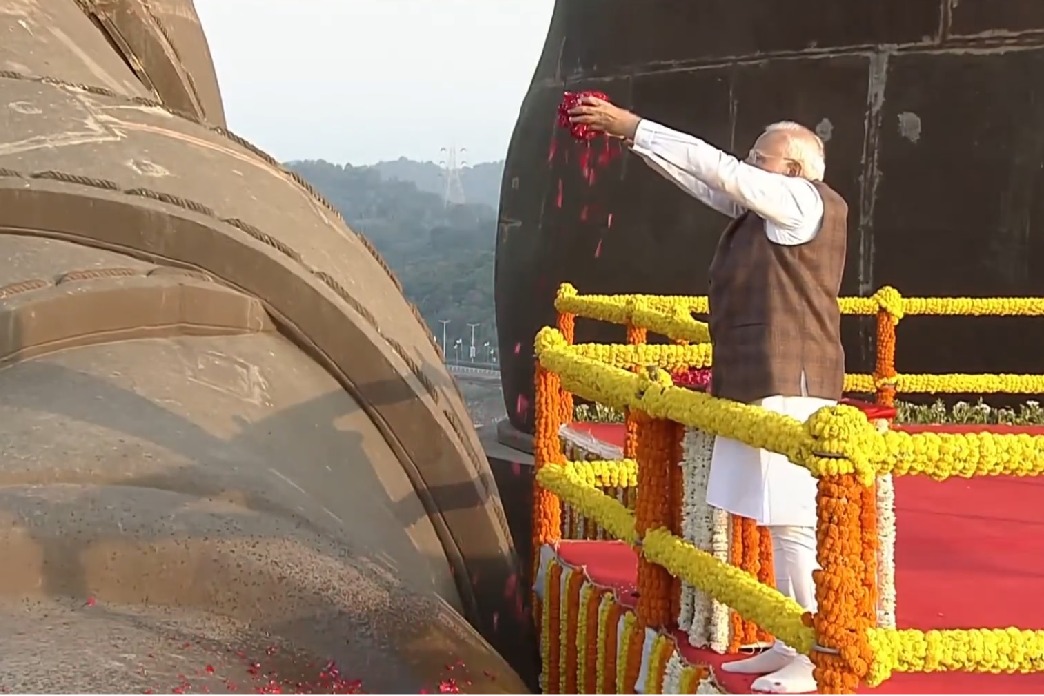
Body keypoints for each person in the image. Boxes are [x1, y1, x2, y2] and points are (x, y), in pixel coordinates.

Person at [569, 96, 847, 694]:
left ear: (793, 168)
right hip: (760, 382)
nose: (748, 163)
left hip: (790, 384)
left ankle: (814, 653)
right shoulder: (765, 210)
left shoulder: (802, 202)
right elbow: (704, 178)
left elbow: (717, 168)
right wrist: (633, 142)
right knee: (779, 523)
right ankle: (785, 636)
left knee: (796, 523)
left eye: (760, 156)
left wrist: (633, 123)